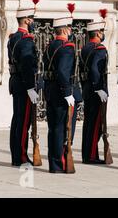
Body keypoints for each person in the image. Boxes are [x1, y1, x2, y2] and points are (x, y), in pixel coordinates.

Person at [43, 16, 78, 173]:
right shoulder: (66, 47)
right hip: (60, 92)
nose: (71, 31)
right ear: (64, 29)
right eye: (70, 28)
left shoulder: (50, 46)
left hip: (50, 90)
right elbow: (63, 72)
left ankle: (54, 162)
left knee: (53, 128)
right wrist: (68, 93)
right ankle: (59, 163)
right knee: (61, 129)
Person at [7, 8, 38, 166]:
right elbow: (26, 65)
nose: (33, 23)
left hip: (15, 82)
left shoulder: (13, 38)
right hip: (24, 84)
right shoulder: (26, 40)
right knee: (24, 122)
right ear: (26, 20)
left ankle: (16, 156)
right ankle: (21, 157)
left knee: (17, 120)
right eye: (32, 19)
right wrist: (31, 87)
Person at [80, 20, 108, 164]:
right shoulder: (99, 49)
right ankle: (91, 155)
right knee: (96, 124)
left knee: (89, 123)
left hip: (87, 89)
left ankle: (87, 154)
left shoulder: (85, 48)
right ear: (97, 33)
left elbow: (81, 71)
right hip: (96, 91)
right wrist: (99, 88)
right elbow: (95, 70)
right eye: (102, 32)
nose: (103, 35)